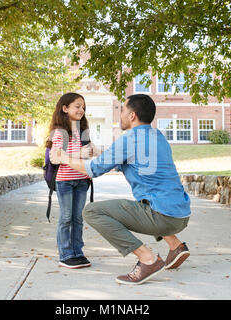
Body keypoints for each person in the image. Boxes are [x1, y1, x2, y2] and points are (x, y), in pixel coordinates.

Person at [50, 93, 191, 285]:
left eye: (122, 110)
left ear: (132, 116)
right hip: (181, 215)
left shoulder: (130, 139)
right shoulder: (157, 136)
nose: (120, 115)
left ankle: (147, 259)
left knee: (92, 212)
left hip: (161, 217)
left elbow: (94, 169)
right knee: (149, 202)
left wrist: (64, 158)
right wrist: (98, 152)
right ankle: (175, 245)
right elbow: (120, 160)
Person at [46, 92, 95, 269]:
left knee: (78, 218)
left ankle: (78, 252)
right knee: (66, 218)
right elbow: (55, 157)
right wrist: (79, 154)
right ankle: (66, 254)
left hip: (82, 180)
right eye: (77, 106)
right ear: (65, 108)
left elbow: (92, 151)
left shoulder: (83, 131)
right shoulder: (59, 132)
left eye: (83, 107)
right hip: (65, 181)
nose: (81, 109)